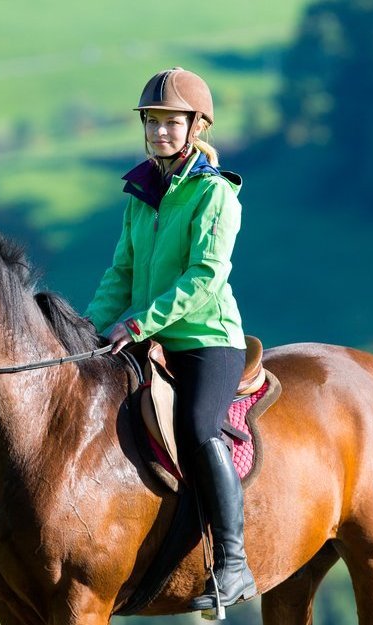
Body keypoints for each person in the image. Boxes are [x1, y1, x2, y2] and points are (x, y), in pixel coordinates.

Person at [84, 67, 256, 612]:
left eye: (169, 122)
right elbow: (120, 272)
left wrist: (137, 324)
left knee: (200, 425)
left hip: (206, 338)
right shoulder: (141, 194)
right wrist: (86, 334)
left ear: (196, 126)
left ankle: (233, 564)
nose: (159, 132)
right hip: (148, 335)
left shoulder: (216, 195)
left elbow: (205, 278)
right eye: (152, 122)